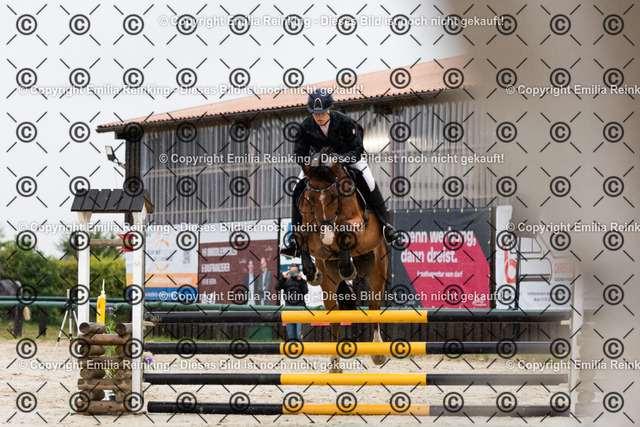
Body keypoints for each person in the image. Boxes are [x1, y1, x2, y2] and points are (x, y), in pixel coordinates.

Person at [280, 88, 400, 257]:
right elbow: (299, 155)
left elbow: (357, 150)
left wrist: (340, 158)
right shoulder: (305, 127)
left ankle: (386, 226)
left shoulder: (345, 122)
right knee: (296, 188)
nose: (319, 117)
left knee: (369, 181)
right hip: (318, 166)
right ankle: (295, 240)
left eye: (322, 112)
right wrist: (315, 161)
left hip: (348, 159)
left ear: (330, 109)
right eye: (315, 113)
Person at [275, 265, 308, 341]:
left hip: (300, 311)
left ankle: (301, 347)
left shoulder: (302, 281)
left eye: (295, 271)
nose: (293, 273)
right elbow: (276, 287)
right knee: (291, 335)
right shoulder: (286, 281)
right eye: (292, 271)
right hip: (289, 310)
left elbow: (305, 291)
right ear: (289, 271)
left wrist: (300, 280)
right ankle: (293, 347)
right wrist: (283, 277)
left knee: (300, 334)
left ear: (299, 272)